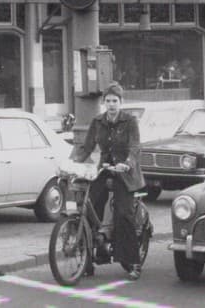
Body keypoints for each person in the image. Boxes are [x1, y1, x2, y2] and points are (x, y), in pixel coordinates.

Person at [68, 83, 145, 280]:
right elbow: (86, 147)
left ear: (121, 102)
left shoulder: (129, 121)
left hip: (125, 173)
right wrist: (71, 164)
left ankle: (132, 262)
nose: (111, 105)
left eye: (115, 101)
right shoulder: (98, 121)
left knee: (123, 214)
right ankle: (88, 259)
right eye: (108, 101)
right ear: (104, 103)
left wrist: (127, 164)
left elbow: (135, 147)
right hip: (104, 170)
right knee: (89, 207)